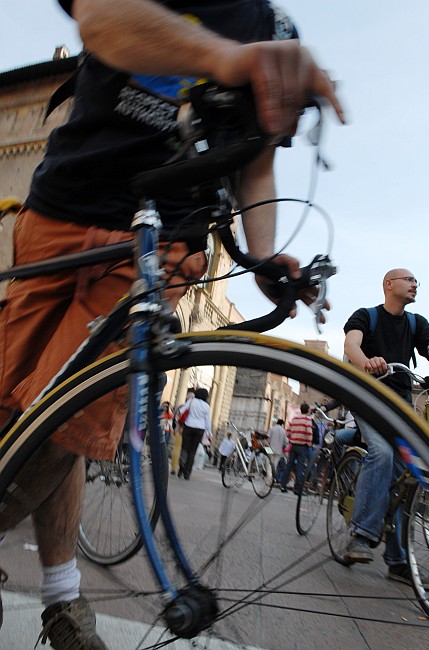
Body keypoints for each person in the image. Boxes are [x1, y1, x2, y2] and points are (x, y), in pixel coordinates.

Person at [0, 0, 344, 644]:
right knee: (21, 412)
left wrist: (263, 255)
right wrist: (226, 59)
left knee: (65, 419)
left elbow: (256, 159)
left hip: (161, 239)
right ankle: (62, 593)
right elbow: (100, 22)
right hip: (59, 212)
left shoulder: (272, 29)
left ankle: (65, 601)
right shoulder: (248, 43)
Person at [343, 268, 429, 585]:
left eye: (416, 282)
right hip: (369, 394)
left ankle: (397, 560)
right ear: (389, 284)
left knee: (406, 475)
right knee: (381, 453)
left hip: (402, 402)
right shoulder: (366, 317)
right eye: (409, 280)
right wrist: (365, 362)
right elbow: (351, 345)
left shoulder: (417, 323)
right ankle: (361, 535)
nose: (414, 285)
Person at [177, 388, 212, 480]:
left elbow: (181, 410)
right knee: (192, 451)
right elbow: (207, 421)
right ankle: (187, 473)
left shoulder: (192, 401)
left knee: (184, 448)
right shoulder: (207, 406)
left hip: (189, 426)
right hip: (200, 429)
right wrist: (208, 433)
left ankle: (181, 466)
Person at [280, 403, 312, 495]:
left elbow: (288, 432)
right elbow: (309, 433)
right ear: (308, 410)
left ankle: (283, 485)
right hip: (302, 446)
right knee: (300, 467)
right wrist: (309, 443)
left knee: (289, 465)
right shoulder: (308, 419)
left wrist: (292, 438)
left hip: (293, 445)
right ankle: (297, 489)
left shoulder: (294, 419)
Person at [171, 387, 195, 475]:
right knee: (185, 449)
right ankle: (183, 466)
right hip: (189, 430)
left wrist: (176, 427)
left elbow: (175, 417)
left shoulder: (181, 406)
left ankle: (173, 468)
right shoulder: (194, 408)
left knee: (176, 448)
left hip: (179, 428)